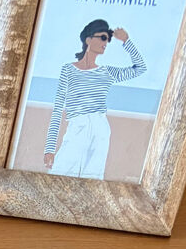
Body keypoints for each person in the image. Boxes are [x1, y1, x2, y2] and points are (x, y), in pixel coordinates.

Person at [43, 21, 146, 179]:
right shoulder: (68, 70)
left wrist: (126, 41)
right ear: (88, 40)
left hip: (100, 128)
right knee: (59, 175)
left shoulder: (107, 72)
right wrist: (49, 149)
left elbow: (140, 68)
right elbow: (57, 109)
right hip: (77, 126)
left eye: (108, 40)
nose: (106, 43)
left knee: (92, 179)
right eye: (103, 37)